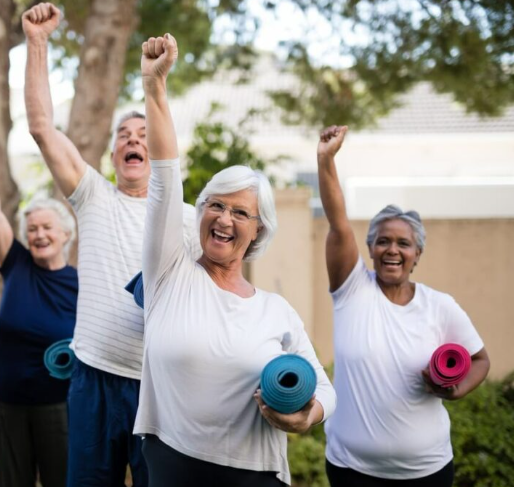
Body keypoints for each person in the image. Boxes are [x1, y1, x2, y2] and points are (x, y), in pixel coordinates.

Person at [133, 33, 336, 487]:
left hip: (256, 474)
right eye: (216, 205)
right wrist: (154, 87)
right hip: (174, 464)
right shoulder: (170, 273)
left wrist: (308, 416)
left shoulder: (275, 310)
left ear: (258, 228)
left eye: (240, 212)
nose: (224, 218)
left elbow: (324, 389)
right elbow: (165, 179)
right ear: (200, 212)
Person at [21, 4, 200, 486]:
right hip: (94, 378)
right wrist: (37, 42)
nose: (133, 140)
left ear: (159, 146)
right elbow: (41, 127)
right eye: (124, 135)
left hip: (160, 387)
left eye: (144, 134)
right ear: (114, 153)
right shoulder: (94, 196)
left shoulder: (188, 219)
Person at [317, 125, 491, 487]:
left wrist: (455, 390)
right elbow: (338, 225)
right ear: (370, 249)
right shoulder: (352, 291)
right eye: (383, 241)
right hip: (352, 471)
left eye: (403, 243)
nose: (392, 250)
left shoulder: (440, 306)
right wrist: (326, 160)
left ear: (417, 254)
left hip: (426, 473)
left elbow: (480, 360)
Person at [0, 125, 78, 487]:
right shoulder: (16, 264)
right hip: (7, 404)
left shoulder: (82, 283)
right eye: (32, 230)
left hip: (58, 408)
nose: (39, 235)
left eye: (47, 227)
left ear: (65, 234)